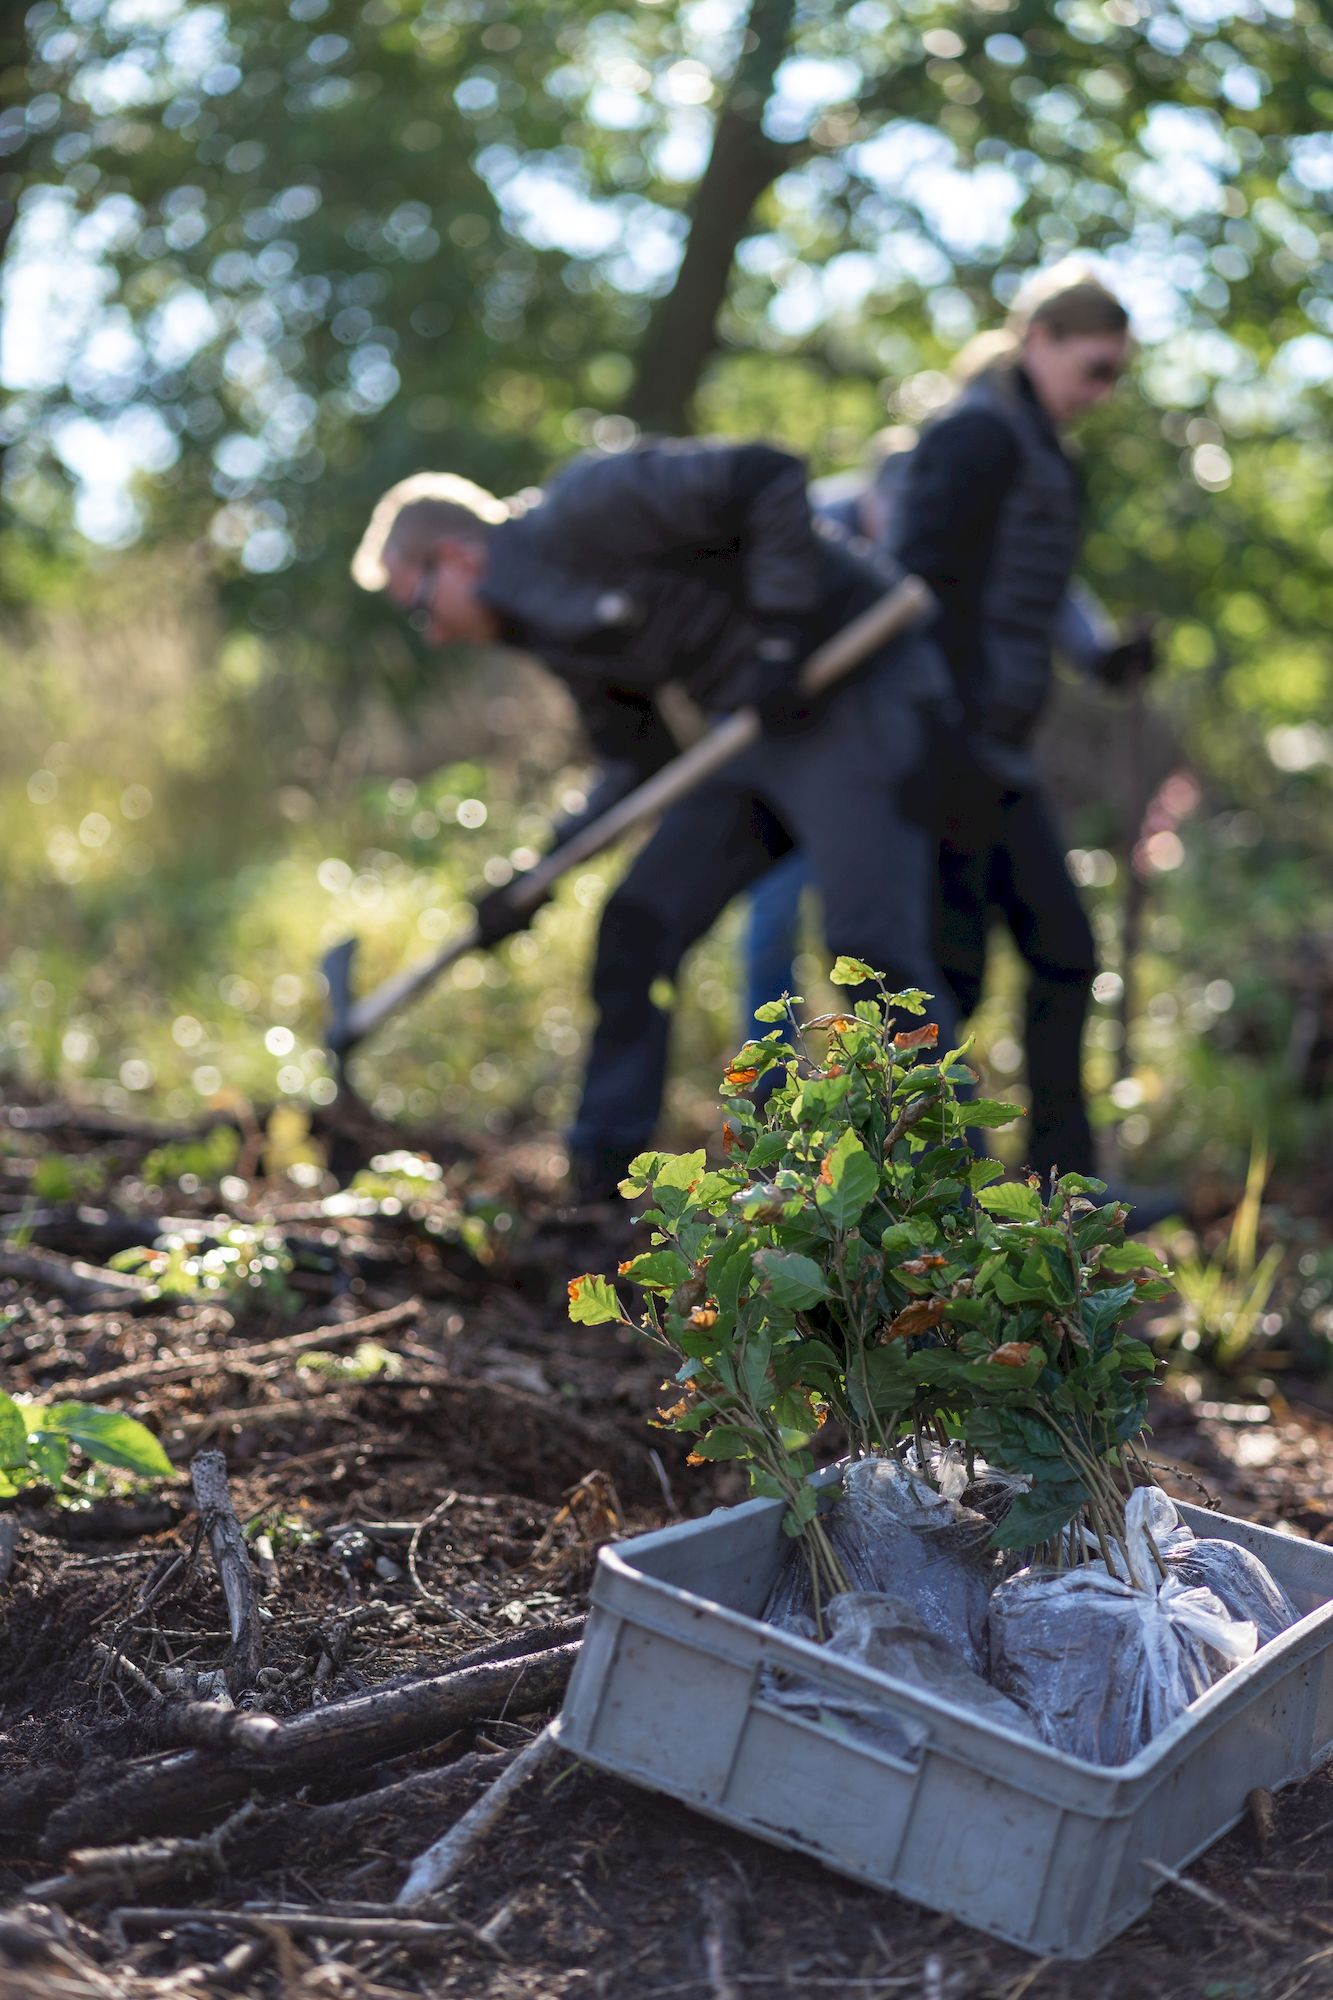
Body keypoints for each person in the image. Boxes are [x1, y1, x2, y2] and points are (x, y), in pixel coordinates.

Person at [351, 438, 956, 1201]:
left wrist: (780, 633)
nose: (431, 632)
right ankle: (602, 1187)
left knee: (867, 944)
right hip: (756, 729)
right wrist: (536, 873)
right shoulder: (546, 623)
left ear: (457, 556)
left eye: (417, 605)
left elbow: (767, 472)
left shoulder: (591, 504)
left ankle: (947, 1195)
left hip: (851, 680)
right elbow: (638, 764)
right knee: (638, 925)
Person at [887, 263, 1157, 1184]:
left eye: (1115, 374)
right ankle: (931, 1194)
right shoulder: (972, 435)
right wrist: (942, 721)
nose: (1102, 392)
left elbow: (1038, 581)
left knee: (1059, 954)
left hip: (998, 746)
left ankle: (1059, 1186)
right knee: (959, 971)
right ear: (1037, 338)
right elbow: (919, 579)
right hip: (947, 746)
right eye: (1094, 368)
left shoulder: (1042, 447)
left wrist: (1099, 655)